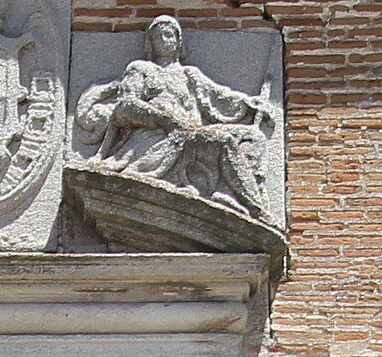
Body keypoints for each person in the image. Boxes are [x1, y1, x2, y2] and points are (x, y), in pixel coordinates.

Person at [72, 14, 281, 221]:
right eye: (159, 36)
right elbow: (126, 106)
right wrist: (163, 119)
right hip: (157, 137)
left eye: (170, 35)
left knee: (253, 138)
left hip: (191, 134)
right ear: (150, 43)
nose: (165, 41)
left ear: (179, 41)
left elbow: (219, 97)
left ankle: (228, 194)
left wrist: (251, 104)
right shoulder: (141, 69)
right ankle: (255, 209)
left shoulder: (189, 75)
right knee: (224, 141)